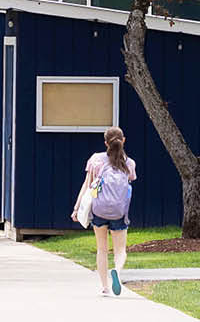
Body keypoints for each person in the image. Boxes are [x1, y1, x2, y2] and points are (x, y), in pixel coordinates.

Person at [77, 126, 136, 297]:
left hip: (99, 210)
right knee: (120, 250)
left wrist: (77, 207)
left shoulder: (96, 160)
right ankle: (116, 270)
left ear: (105, 142)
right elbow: (130, 181)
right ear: (123, 140)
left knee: (101, 249)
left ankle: (105, 287)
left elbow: (87, 185)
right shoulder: (129, 163)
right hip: (119, 212)